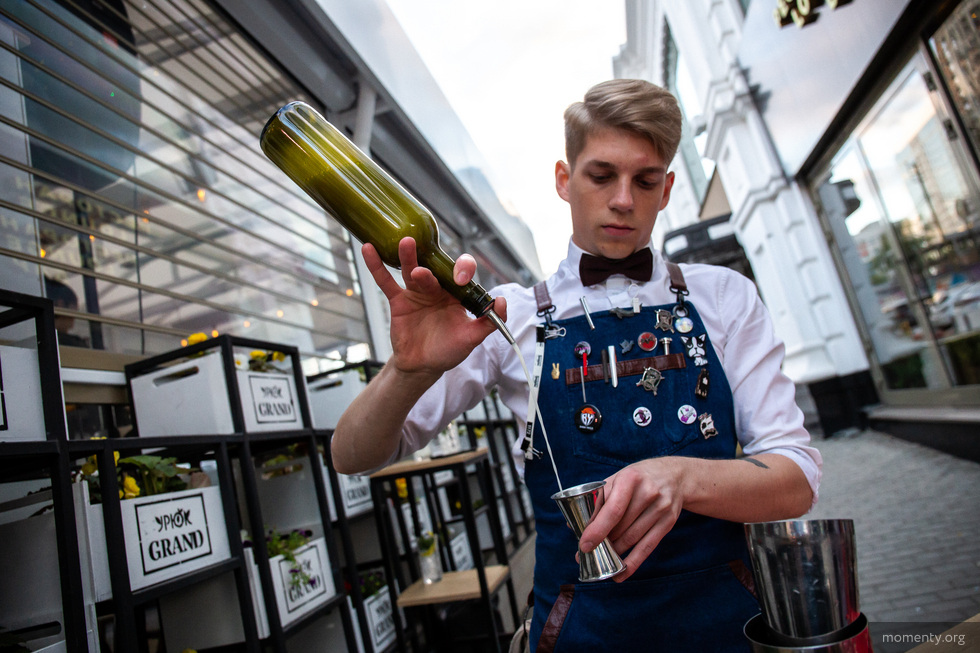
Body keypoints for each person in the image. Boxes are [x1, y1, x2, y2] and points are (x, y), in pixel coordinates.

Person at [332, 79, 821, 651]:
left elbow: (796, 481)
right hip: (578, 632)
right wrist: (408, 370)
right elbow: (352, 456)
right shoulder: (507, 315)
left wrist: (681, 477)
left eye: (644, 181)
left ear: (665, 190)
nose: (622, 200)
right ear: (564, 180)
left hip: (730, 627)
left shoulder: (725, 298)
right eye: (601, 175)